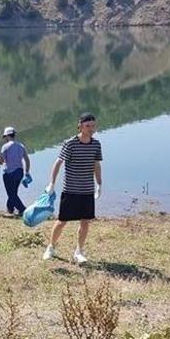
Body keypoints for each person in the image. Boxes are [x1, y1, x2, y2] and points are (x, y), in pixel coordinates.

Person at [42, 113, 102, 264]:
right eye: (88, 126)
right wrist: (52, 183)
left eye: (93, 126)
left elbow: (96, 164)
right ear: (80, 126)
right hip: (70, 189)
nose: (91, 129)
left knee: (85, 222)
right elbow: (58, 162)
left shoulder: (96, 144)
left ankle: (79, 251)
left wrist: (99, 183)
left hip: (87, 190)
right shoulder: (70, 143)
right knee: (62, 221)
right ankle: (51, 247)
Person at [0, 126, 31, 216]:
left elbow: (1, 160)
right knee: (13, 192)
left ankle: (23, 209)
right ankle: (10, 209)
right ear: (14, 135)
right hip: (20, 172)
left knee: (11, 194)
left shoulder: (5, 146)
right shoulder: (21, 146)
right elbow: (27, 160)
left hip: (9, 174)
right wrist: (27, 172)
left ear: (7, 136)